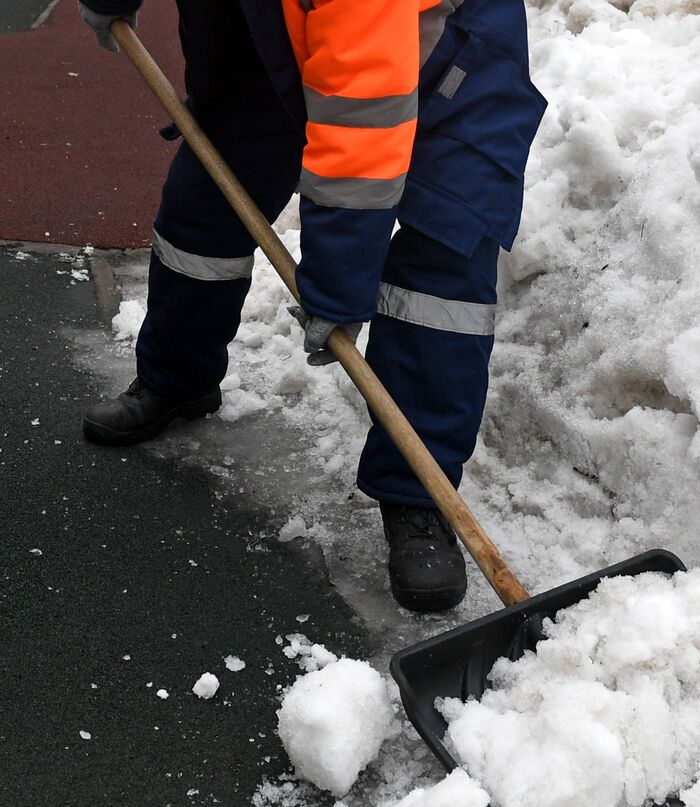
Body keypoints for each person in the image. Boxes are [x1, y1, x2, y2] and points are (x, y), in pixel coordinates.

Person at [76, 0, 547, 612]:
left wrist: (337, 287)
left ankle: (418, 494)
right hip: (275, 25)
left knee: (441, 267)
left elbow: (362, 124)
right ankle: (176, 379)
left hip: (451, 53)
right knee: (209, 196)